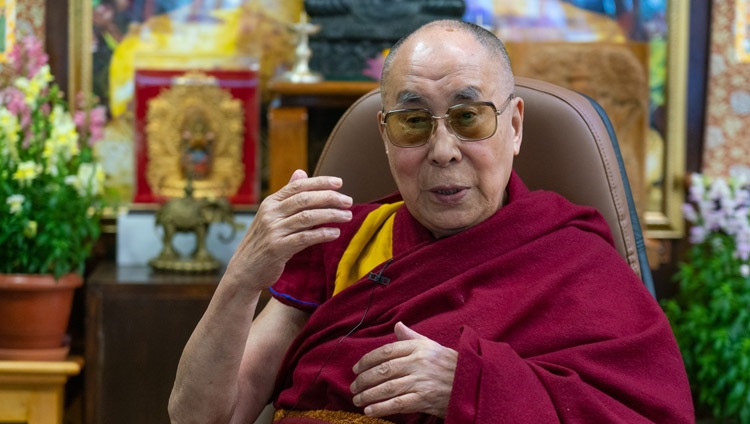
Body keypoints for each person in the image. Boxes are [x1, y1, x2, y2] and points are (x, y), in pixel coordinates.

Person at [168, 20, 693, 423]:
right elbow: (203, 416)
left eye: (468, 118)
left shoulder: (574, 262)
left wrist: (468, 384)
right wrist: (241, 279)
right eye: (414, 122)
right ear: (385, 134)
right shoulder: (342, 242)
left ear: (513, 126)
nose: (443, 151)